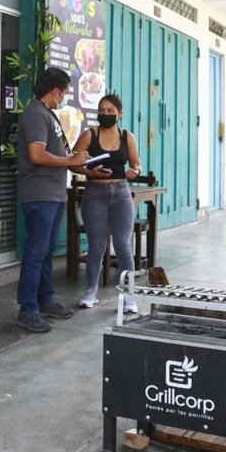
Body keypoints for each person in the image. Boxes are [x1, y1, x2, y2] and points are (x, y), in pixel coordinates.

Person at [15, 67, 91, 332]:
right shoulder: (35, 113)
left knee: (45, 251)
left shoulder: (48, 114)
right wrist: (70, 160)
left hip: (54, 193)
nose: (65, 97)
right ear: (56, 90)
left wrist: (84, 165)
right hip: (39, 193)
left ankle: (45, 300)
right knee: (36, 252)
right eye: (65, 92)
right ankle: (28, 308)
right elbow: (36, 155)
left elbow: (61, 156)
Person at [75, 94, 143, 310]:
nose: (105, 114)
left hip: (121, 193)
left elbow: (136, 164)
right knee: (96, 245)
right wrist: (87, 170)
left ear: (119, 113)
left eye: (110, 111)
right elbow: (72, 163)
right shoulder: (89, 135)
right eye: (102, 111)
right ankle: (91, 291)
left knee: (123, 245)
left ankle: (129, 297)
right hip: (94, 192)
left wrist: (135, 171)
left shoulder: (127, 137)